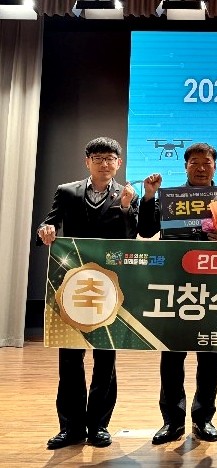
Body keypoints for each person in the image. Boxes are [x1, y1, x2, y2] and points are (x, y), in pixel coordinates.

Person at [37, 137, 138, 449]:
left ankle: (98, 426)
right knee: (69, 358)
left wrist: (126, 207)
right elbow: (49, 225)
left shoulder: (127, 194)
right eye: (97, 158)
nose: (104, 163)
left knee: (105, 359)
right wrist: (46, 231)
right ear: (87, 162)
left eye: (109, 158)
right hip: (73, 284)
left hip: (110, 287)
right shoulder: (67, 191)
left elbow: (131, 237)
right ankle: (70, 428)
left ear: (118, 163)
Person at [138, 142, 217, 445]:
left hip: (215, 286)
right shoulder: (170, 198)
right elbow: (146, 230)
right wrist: (149, 196)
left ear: (215, 166)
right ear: (185, 167)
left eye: (206, 162)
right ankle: (172, 421)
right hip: (175, 284)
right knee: (172, 355)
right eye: (194, 162)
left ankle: (203, 418)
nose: (201, 168)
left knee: (209, 355)